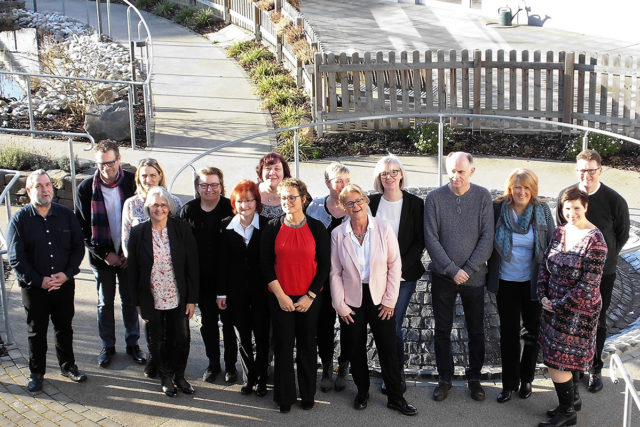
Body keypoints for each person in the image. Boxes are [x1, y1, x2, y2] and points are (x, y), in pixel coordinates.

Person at [330, 184, 418, 416]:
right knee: (355, 348)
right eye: (350, 203)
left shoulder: (383, 227)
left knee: (388, 347)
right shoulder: (338, 235)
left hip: (380, 298)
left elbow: (394, 264)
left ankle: (396, 398)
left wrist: (390, 300)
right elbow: (335, 272)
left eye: (359, 200)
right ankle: (362, 391)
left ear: (366, 201)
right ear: (343, 207)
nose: (356, 205)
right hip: (352, 300)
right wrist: (340, 304)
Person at [557, 149, 630, 393]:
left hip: (603, 274)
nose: (586, 175)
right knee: (573, 321)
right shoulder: (566, 196)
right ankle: (575, 367)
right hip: (572, 273)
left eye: (591, 170)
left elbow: (621, 235)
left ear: (600, 170)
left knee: (596, 321)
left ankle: (594, 368)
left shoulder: (614, 200)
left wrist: (606, 261)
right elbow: (562, 229)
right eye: (581, 170)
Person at [7, 170, 87, 392]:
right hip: (35, 288)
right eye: (39, 186)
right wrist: (39, 280)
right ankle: (36, 372)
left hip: (63, 284)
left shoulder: (65, 215)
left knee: (64, 327)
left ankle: (68, 366)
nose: (45, 189)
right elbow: (16, 258)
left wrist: (67, 273)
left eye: (48, 185)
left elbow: (78, 247)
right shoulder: (20, 220)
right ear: (29, 190)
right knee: (37, 331)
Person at [423, 151, 494, 402]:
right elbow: (431, 238)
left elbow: (488, 237)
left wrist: (469, 268)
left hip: (474, 277)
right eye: (451, 170)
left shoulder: (483, 197)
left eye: (461, 171)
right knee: (442, 330)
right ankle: (445, 379)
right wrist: (453, 270)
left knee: (476, 330)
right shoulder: (434, 199)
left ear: (471, 172)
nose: (456, 176)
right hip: (444, 277)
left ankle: (474, 378)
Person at [538, 187, 607, 427]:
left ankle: (567, 413)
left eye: (576, 208)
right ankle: (570, 402)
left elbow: (588, 285)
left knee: (558, 362)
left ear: (585, 207)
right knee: (559, 359)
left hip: (578, 312)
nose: (571, 213)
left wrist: (557, 305)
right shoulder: (559, 231)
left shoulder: (596, 240)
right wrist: (543, 294)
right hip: (552, 308)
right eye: (567, 208)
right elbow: (545, 265)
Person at [260, 178, 330, 413]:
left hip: (309, 299)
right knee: (282, 346)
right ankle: (284, 397)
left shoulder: (317, 228)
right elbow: (266, 264)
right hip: (281, 297)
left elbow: (324, 266)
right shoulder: (271, 227)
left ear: (303, 199)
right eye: (283, 197)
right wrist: (281, 296)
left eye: (292, 197)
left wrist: (309, 296)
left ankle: (307, 393)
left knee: (308, 346)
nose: (287, 201)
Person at [487, 169, 555, 403]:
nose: (522, 191)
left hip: (533, 282)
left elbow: (553, 244)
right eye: (517, 187)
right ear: (510, 188)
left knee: (532, 333)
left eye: (527, 187)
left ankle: (526, 380)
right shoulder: (499, 208)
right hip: (505, 281)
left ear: (532, 189)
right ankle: (509, 384)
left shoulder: (542, 210)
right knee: (508, 333)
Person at [76, 140, 145, 368]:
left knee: (129, 301)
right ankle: (107, 345)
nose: (107, 168)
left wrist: (129, 253)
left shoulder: (131, 182)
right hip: (102, 257)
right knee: (105, 303)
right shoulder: (86, 189)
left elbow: (141, 219)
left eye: (111, 162)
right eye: (101, 164)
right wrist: (105, 254)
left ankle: (133, 343)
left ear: (119, 159)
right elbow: (83, 228)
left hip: (128, 255)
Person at [127, 187, 199, 397]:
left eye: (163, 205)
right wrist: (137, 302)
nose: (159, 209)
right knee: (156, 339)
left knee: (182, 337)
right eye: (155, 205)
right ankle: (165, 377)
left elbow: (192, 266)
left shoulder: (182, 229)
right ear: (148, 207)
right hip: (151, 295)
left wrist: (192, 299)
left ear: (169, 207)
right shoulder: (138, 233)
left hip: (178, 294)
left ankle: (180, 375)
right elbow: (132, 270)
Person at [368, 154, 425, 394]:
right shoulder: (370, 203)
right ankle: (390, 369)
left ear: (401, 174)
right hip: (374, 276)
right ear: (379, 178)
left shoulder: (415, 203)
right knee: (383, 326)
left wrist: (397, 269)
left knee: (392, 325)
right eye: (384, 173)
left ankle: (395, 372)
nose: (389, 176)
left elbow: (420, 241)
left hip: (403, 278)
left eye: (394, 172)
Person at [121, 158, 182, 378]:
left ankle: (168, 364)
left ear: (160, 175)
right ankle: (154, 360)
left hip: (170, 276)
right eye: (144, 175)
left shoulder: (173, 201)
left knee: (170, 327)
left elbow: (179, 235)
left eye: (153, 175)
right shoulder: (131, 204)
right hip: (146, 276)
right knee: (151, 323)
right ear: (138, 177)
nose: (148, 179)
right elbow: (126, 241)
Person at [179, 167, 237, 383]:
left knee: (230, 324)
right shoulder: (188, 211)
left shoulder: (231, 208)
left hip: (228, 280)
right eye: (204, 185)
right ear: (197, 187)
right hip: (201, 281)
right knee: (209, 325)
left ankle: (231, 365)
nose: (209, 189)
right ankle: (213, 364)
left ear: (221, 186)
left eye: (214, 184)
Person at [218, 180, 269, 397]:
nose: (244, 205)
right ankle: (249, 379)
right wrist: (221, 292)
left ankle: (263, 380)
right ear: (234, 203)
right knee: (243, 338)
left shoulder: (268, 225)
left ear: (256, 202)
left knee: (263, 337)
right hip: (235, 293)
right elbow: (220, 264)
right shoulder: (225, 226)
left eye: (249, 200)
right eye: (240, 201)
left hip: (262, 293)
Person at [306, 162, 350, 393]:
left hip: (348, 278)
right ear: (327, 183)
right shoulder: (314, 207)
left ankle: (344, 365)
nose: (343, 185)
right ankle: (326, 368)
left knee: (348, 322)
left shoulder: (355, 204)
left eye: (346, 180)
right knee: (323, 324)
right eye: (338, 181)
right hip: (322, 277)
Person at [256, 152, 292, 219]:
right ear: (261, 172)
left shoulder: (296, 193)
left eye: (277, 169)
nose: (272, 173)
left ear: (284, 172)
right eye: (268, 169)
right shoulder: (251, 192)